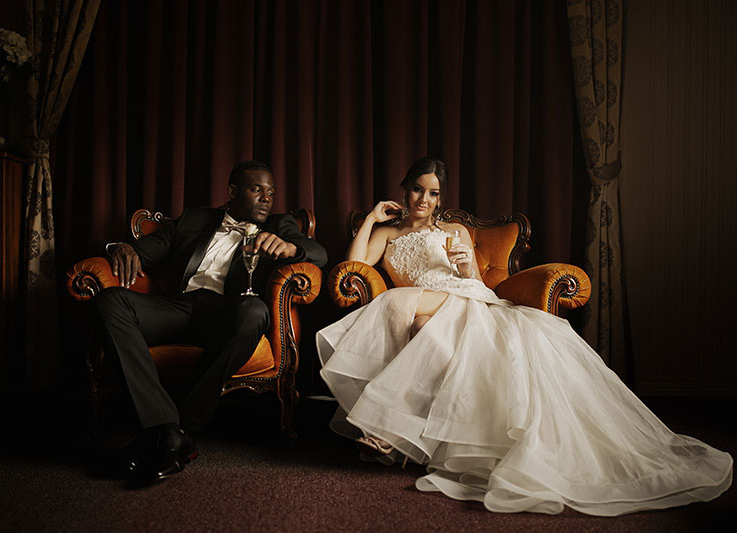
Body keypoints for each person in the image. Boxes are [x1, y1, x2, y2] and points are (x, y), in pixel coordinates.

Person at [317, 157, 732, 515]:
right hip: (423, 306)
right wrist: (372, 218)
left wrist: (465, 266)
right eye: (418, 191)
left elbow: (475, 280)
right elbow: (354, 265)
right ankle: (409, 442)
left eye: (434, 193)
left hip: (460, 296)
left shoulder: (456, 229)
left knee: (395, 306)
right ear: (404, 191)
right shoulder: (389, 233)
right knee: (422, 327)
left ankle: (388, 435)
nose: (425, 201)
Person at [96, 160, 327, 487]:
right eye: (256, 189)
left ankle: (176, 427)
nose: (266, 198)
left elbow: (319, 253)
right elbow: (141, 251)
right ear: (233, 192)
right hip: (177, 306)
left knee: (255, 311)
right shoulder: (194, 219)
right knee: (111, 300)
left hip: (229, 312)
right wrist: (120, 247)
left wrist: (292, 247)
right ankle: (167, 430)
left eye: (270, 192)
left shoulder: (278, 224)